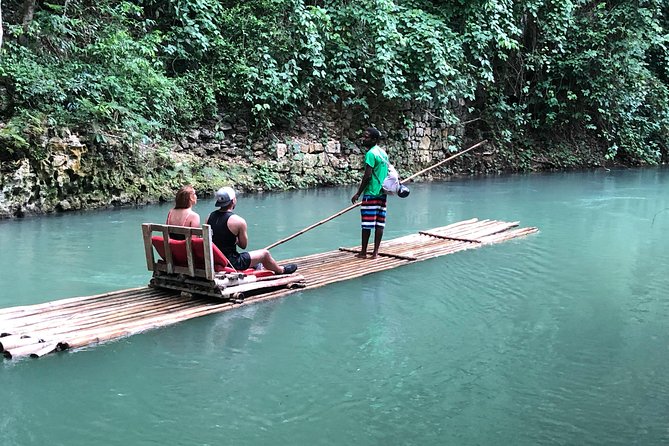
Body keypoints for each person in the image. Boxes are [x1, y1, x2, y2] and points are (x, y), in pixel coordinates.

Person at [206, 187, 298, 274]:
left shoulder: (209, 217)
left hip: (215, 260)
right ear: (233, 200)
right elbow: (243, 245)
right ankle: (281, 270)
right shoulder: (238, 221)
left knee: (251, 256)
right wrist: (235, 239)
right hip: (232, 262)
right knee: (264, 254)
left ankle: (256, 265)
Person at [351, 127, 389, 259]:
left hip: (371, 193)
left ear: (374, 139)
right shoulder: (383, 153)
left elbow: (367, 176)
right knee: (379, 223)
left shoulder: (371, 154)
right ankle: (375, 253)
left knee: (366, 224)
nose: (364, 139)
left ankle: (363, 252)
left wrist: (358, 193)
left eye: (366, 137)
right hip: (382, 193)